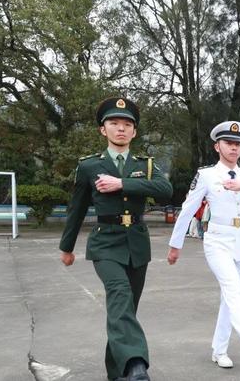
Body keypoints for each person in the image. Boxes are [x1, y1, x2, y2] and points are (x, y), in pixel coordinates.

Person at [59, 97, 173, 381]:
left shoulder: (145, 165)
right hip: (105, 244)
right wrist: (67, 248)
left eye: (127, 124)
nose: (121, 129)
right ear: (103, 130)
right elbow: (77, 208)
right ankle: (136, 365)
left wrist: (123, 183)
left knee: (125, 310)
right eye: (114, 123)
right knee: (120, 296)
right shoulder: (88, 166)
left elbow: (165, 189)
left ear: (134, 132)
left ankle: (116, 374)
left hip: (137, 244)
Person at [167, 121, 240, 368]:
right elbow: (188, 209)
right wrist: (175, 244)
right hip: (218, 240)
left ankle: (219, 351)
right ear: (216, 146)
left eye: (237, 144)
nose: (234, 148)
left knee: (229, 298)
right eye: (229, 143)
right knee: (234, 291)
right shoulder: (207, 175)